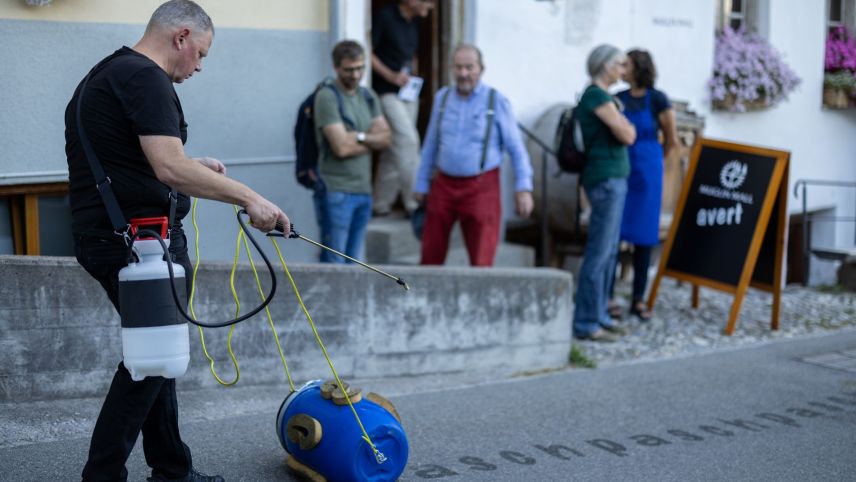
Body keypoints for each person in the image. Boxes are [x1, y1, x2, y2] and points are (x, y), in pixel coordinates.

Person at [65, 2, 290, 481]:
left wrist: (194, 166)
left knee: (158, 354)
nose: (200, 66)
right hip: (139, 244)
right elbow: (168, 167)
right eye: (201, 53)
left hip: (116, 239)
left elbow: (136, 159)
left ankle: (172, 469)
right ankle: (102, 474)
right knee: (151, 361)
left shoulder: (106, 73)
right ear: (182, 36)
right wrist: (251, 198)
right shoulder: (146, 79)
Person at [414, 44, 534, 267]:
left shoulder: (496, 101)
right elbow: (431, 144)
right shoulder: (443, 98)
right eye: (458, 67)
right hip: (443, 184)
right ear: (451, 68)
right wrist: (421, 182)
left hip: (481, 186)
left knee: (482, 255)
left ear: (481, 68)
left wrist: (523, 188)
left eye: (469, 67)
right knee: (431, 251)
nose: (463, 74)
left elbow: (516, 148)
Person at [571, 44, 637, 342]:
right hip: (605, 179)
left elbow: (626, 132)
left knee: (609, 251)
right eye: (620, 64)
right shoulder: (596, 96)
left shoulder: (605, 97)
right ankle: (586, 322)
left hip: (612, 179)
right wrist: (624, 125)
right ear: (605, 66)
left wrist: (623, 124)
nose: (623, 70)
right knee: (599, 253)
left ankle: (599, 315)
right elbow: (627, 134)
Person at [608, 49, 679, 321]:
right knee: (615, 232)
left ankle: (638, 298)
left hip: (648, 171)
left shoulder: (658, 99)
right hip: (622, 167)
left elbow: (671, 138)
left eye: (627, 64)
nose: (622, 69)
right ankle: (608, 295)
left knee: (644, 235)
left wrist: (656, 160)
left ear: (639, 68)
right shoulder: (619, 98)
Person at [314, 40, 391, 263]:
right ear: (336, 67)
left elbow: (387, 139)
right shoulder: (328, 96)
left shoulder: (368, 96)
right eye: (349, 69)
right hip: (336, 191)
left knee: (353, 262)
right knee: (334, 262)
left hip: (364, 191)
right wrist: (371, 139)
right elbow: (340, 148)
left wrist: (358, 136)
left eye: (360, 68)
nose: (356, 75)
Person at [370, 0, 435, 217]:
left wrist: (412, 74)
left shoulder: (414, 22)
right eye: (428, 2)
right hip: (386, 91)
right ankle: (416, 203)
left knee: (394, 147)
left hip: (408, 92)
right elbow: (368, 52)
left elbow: (411, 54)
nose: (430, 8)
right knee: (408, 141)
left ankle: (381, 203)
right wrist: (391, 75)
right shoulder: (385, 17)